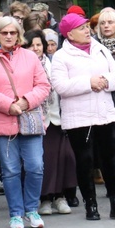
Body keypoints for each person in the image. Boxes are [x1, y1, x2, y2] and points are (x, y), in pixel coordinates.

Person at [50, 13, 115, 221]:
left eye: (87, 27)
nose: (87, 31)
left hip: (105, 113)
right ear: (70, 34)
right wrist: (89, 83)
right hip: (79, 118)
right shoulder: (61, 56)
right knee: (85, 161)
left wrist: (104, 81)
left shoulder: (100, 49)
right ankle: (91, 204)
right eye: (82, 28)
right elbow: (60, 86)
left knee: (111, 160)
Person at [0, 18, 51, 228]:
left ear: (19, 34)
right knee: (9, 171)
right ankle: (16, 214)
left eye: (12, 32)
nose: (8, 36)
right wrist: (8, 105)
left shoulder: (30, 57)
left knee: (36, 166)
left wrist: (26, 101)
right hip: (3, 121)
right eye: (4, 33)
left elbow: (43, 85)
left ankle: (31, 210)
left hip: (29, 120)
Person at [24, 30, 76, 216]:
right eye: (32, 45)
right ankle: (45, 198)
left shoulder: (54, 62)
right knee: (45, 160)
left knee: (64, 158)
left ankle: (61, 196)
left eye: (39, 44)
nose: (36, 48)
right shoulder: (24, 65)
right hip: (37, 118)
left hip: (58, 117)